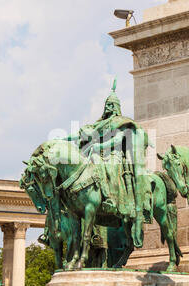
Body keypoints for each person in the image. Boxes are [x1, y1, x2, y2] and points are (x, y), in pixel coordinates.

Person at [63, 79, 152, 247]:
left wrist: (100, 145)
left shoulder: (121, 122)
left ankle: (110, 198)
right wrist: (62, 141)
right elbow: (78, 136)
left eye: (112, 105)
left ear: (117, 107)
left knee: (107, 168)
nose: (109, 108)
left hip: (115, 157)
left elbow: (118, 139)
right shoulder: (98, 124)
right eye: (107, 105)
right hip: (97, 155)